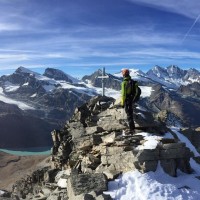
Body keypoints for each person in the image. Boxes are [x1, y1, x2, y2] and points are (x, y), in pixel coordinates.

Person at [121, 69, 136, 133]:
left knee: (129, 115)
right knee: (131, 114)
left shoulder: (124, 83)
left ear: (124, 74)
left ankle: (131, 130)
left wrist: (122, 103)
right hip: (131, 99)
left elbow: (123, 94)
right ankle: (132, 128)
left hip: (127, 100)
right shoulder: (132, 81)